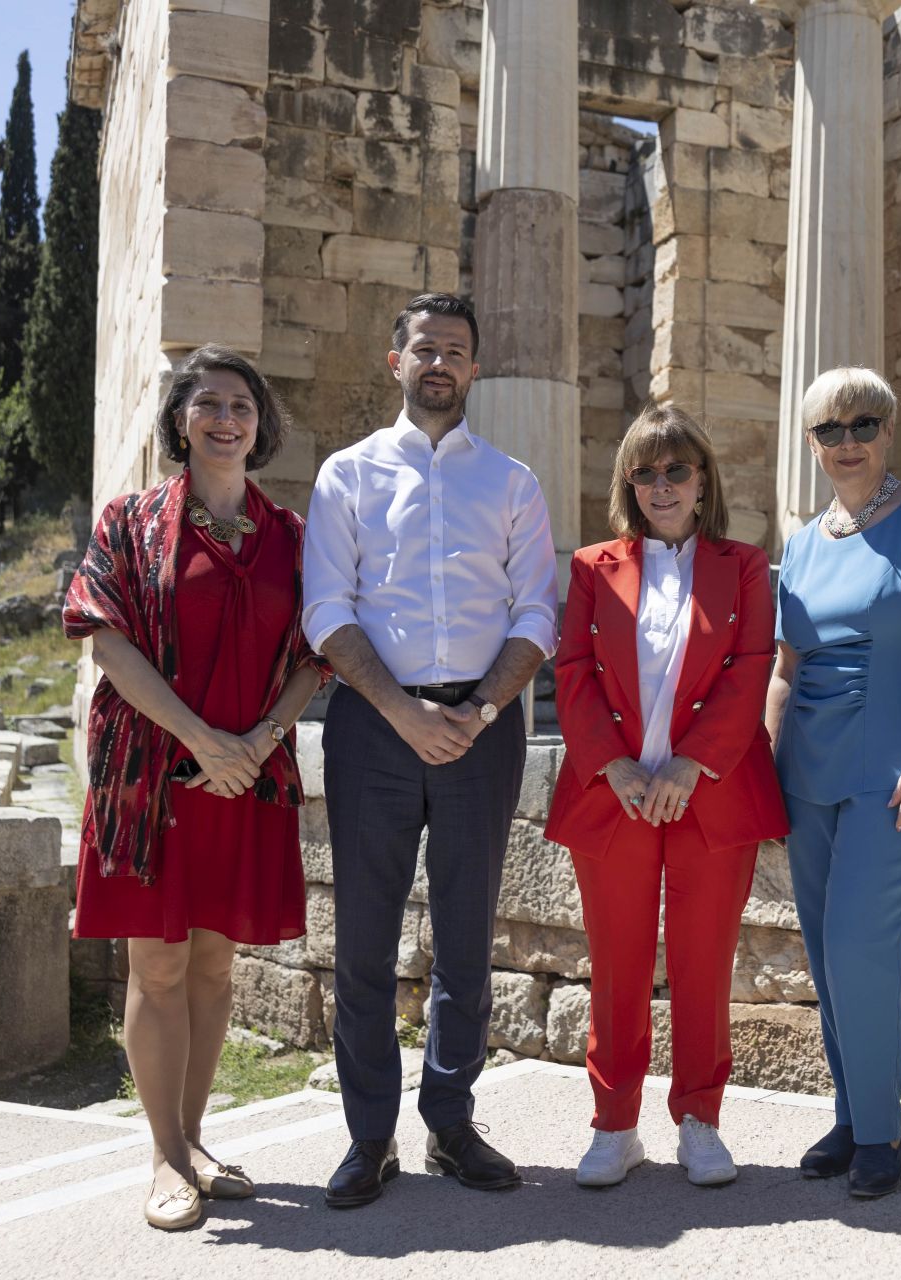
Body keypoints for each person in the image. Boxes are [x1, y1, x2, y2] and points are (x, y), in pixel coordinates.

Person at [302, 292, 559, 1209]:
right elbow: (326, 610)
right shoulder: (347, 475)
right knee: (364, 940)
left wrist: (481, 710)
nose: (439, 362)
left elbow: (537, 612)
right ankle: (369, 1137)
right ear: (396, 362)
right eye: (425, 348)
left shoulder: (512, 482)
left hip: (481, 730)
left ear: (475, 368)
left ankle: (450, 1124)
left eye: (455, 350)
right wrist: (400, 710)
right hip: (373, 728)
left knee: (465, 936)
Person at [65, 345, 330, 1231]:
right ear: (180, 421)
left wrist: (257, 741)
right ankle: (164, 1157)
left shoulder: (293, 536)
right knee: (160, 963)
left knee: (216, 963)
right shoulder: (130, 520)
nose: (225, 419)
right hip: (153, 778)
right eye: (208, 403)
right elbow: (106, 642)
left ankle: (195, 1137)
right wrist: (203, 741)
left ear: (261, 426)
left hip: (246, 775)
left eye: (241, 406)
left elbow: (315, 653)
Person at [546, 404, 787, 1189]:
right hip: (612, 794)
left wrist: (691, 765)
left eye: (676, 469)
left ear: (703, 479)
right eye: (644, 471)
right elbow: (572, 673)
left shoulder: (744, 566)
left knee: (703, 962)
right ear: (628, 484)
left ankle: (700, 1120)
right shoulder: (592, 567)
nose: (662, 484)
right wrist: (614, 767)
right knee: (616, 964)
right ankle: (614, 1125)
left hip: (709, 794)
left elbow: (750, 667)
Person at [763, 367, 901, 1199]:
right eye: (830, 429)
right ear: (811, 443)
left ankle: (882, 1132)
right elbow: (785, 671)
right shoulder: (802, 543)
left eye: (863, 424)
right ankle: (853, 1116)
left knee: (861, 949)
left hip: (899, 775)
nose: (847, 441)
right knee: (828, 956)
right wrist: (763, 766)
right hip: (808, 774)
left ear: (888, 431)